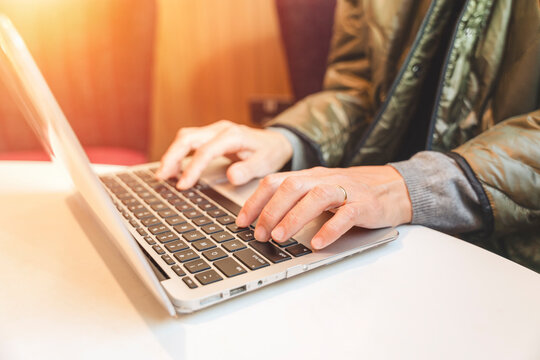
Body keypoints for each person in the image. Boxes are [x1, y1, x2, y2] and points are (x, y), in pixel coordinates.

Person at [157, 0, 540, 272]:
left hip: (508, 260)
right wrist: (288, 138)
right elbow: (360, 88)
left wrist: (412, 186)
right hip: (373, 239)